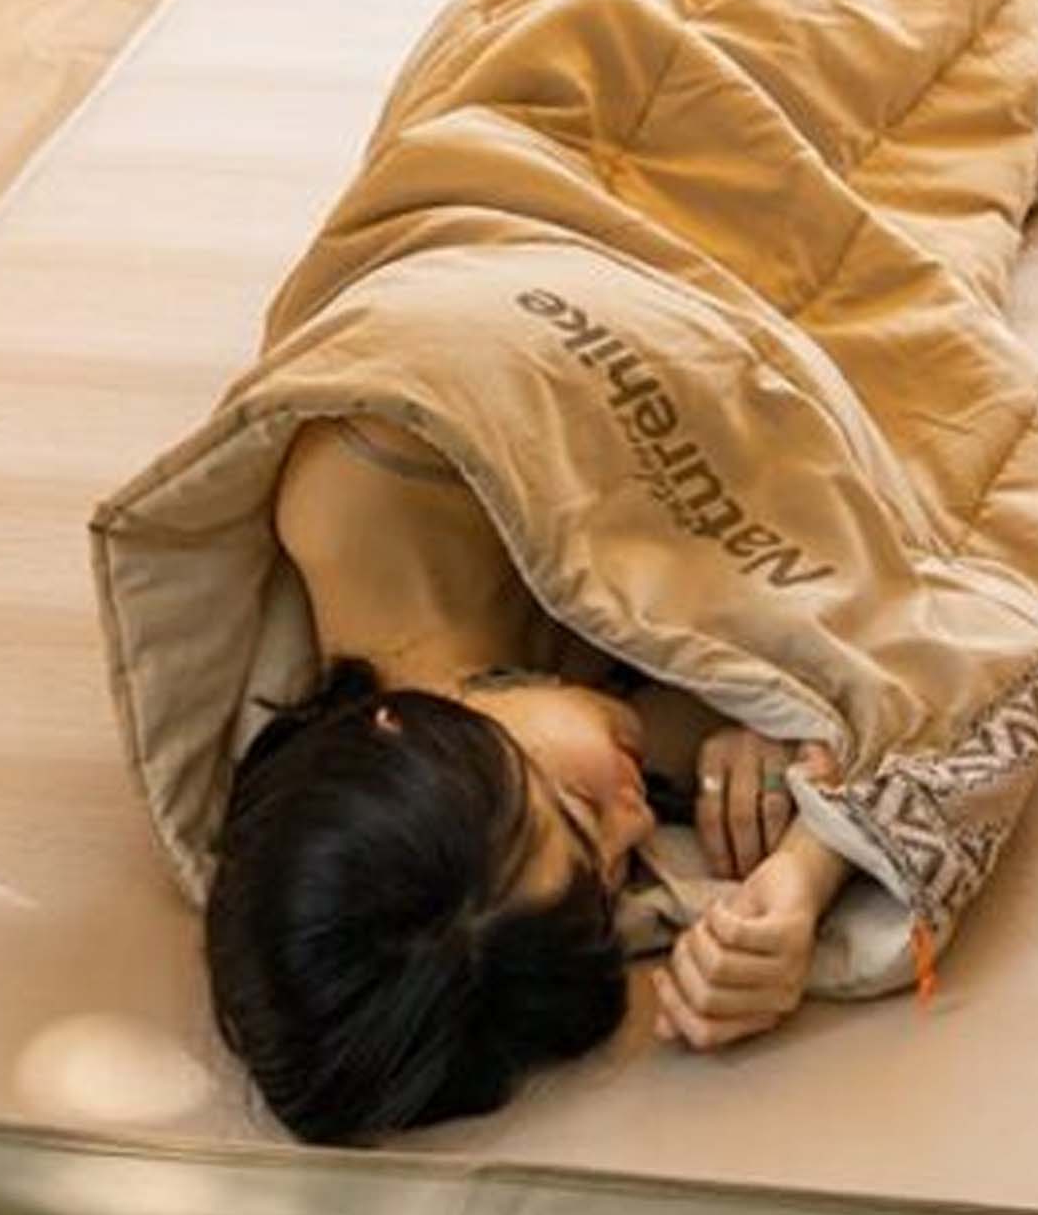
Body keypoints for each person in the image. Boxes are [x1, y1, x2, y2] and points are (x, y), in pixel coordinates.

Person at [203, 411, 854, 1145]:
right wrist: (810, 858)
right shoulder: (581, 738)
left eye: (580, 810)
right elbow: (882, 699)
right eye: (611, 877)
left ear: (397, 732)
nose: (639, 820)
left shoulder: (374, 471)